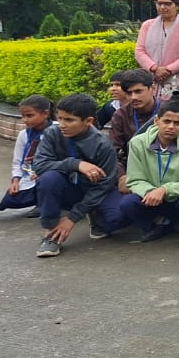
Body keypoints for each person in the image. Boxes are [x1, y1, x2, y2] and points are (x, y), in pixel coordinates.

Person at [32, 93, 124, 257]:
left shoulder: (102, 145)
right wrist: (75, 164)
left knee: (117, 218)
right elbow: (39, 165)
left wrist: (72, 218)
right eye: (59, 118)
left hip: (92, 189)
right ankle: (51, 234)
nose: (62, 124)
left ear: (88, 121)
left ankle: (95, 216)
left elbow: (104, 185)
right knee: (48, 179)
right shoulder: (53, 133)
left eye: (69, 120)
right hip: (67, 188)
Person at [118, 101, 179, 242]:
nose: (171, 127)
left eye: (177, 123)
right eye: (166, 121)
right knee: (127, 203)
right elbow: (134, 179)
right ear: (156, 121)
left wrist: (165, 190)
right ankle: (155, 225)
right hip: (151, 197)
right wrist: (150, 192)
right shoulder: (137, 143)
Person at [0, 95, 54, 216]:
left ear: (45, 114)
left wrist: (43, 169)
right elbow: (18, 162)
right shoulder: (24, 134)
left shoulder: (58, 129)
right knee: (10, 200)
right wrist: (15, 181)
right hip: (31, 175)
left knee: (48, 180)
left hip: (52, 172)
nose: (25, 120)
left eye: (29, 116)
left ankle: (49, 203)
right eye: (22, 116)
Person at [110, 69, 161, 186]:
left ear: (152, 89)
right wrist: (121, 176)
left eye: (138, 91)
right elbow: (113, 151)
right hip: (131, 171)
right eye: (129, 93)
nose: (133, 97)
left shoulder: (168, 112)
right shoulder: (120, 115)